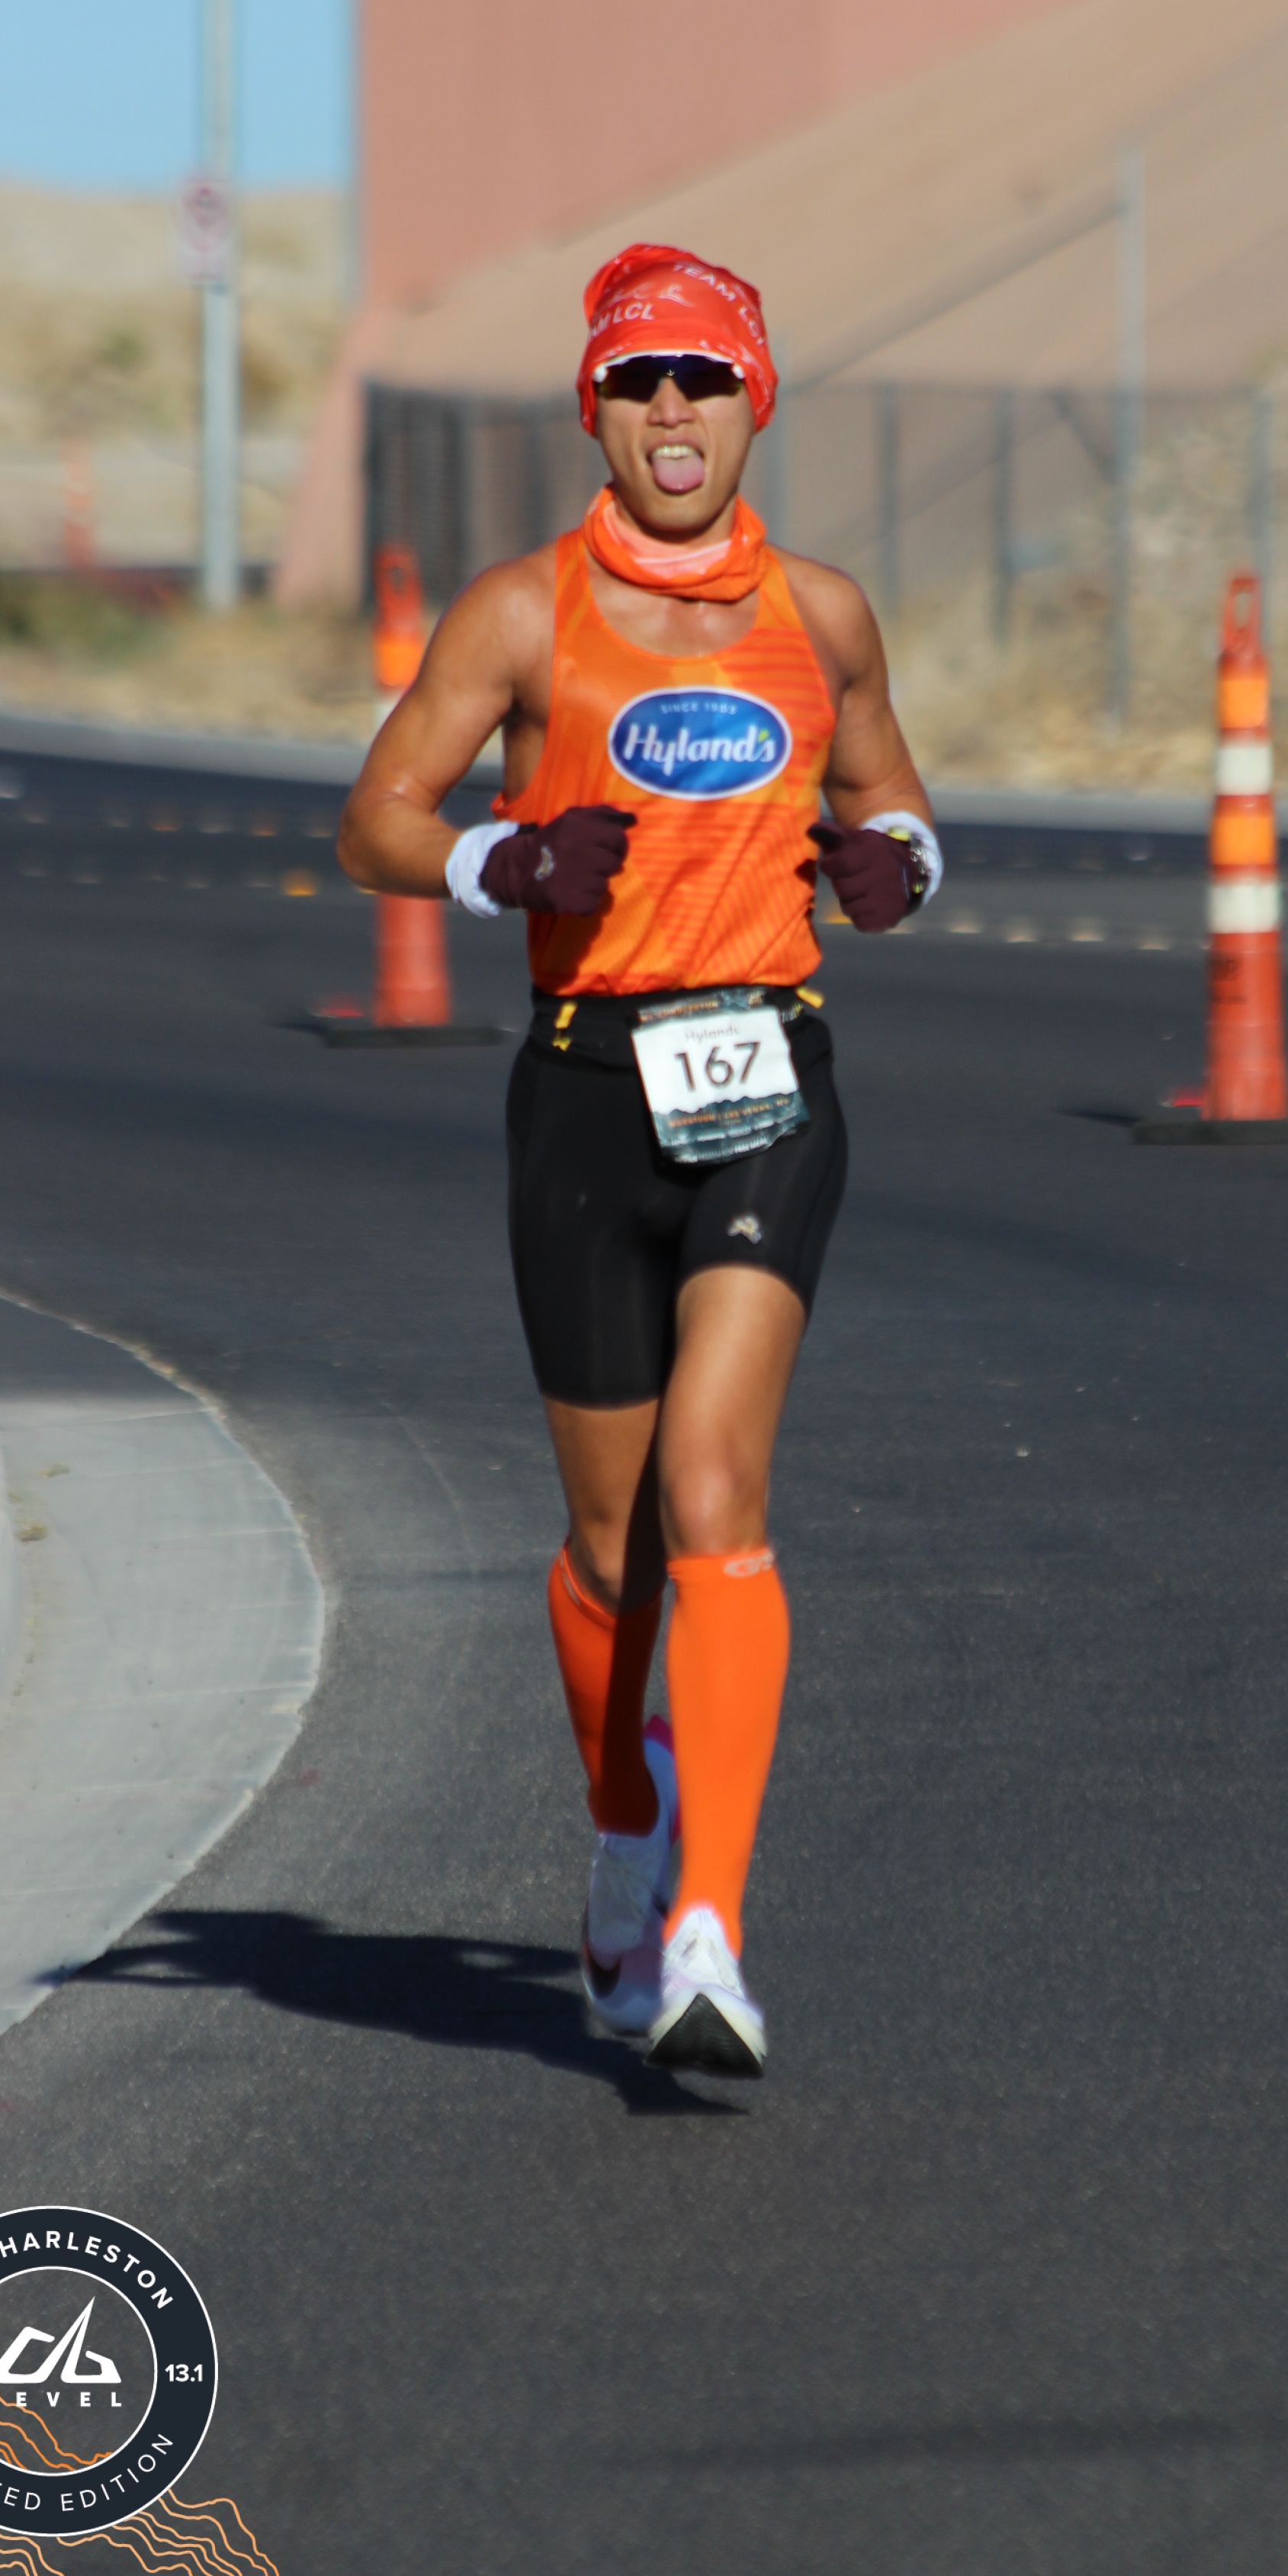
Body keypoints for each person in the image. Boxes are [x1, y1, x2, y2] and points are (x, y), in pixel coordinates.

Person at [339, 245, 940, 2076]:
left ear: (758, 400)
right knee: (612, 1555)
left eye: (704, 378)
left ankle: (709, 1932)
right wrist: (500, 864)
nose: (672, 410)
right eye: (637, 380)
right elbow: (375, 817)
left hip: (767, 1073)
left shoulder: (823, 615)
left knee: (712, 1489)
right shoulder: (522, 615)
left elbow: (893, 797)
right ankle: (624, 1830)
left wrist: (903, 867)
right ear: (593, 408)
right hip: (587, 1091)